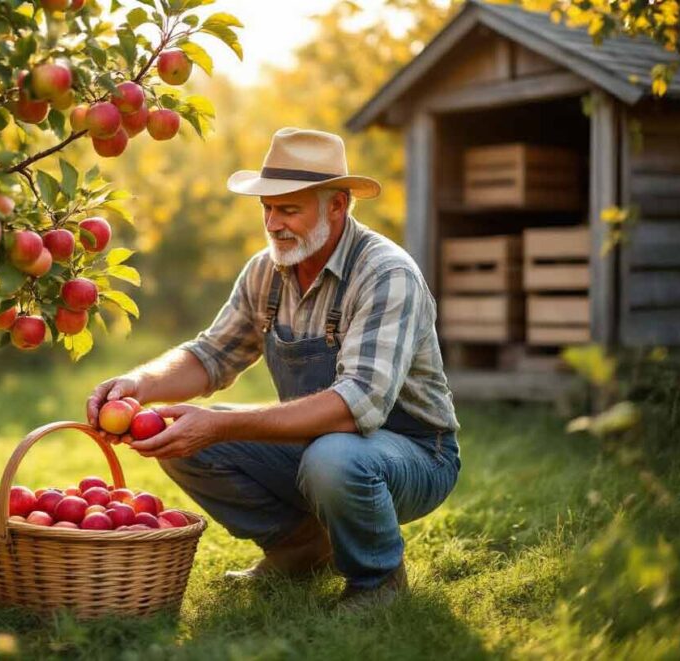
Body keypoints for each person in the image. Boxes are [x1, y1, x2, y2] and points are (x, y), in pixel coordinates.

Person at [86, 127, 461, 608]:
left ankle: (378, 581)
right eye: (267, 208)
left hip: (414, 454)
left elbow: (356, 406)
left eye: (289, 209)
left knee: (334, 457)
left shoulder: (386, 274)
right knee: (176, 435)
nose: (273, 223)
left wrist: (221, 425)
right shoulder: (267, 271)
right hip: (317, 443)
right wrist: (139, 384)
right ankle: (301, 548)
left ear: (337, 205)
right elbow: (211, 355)